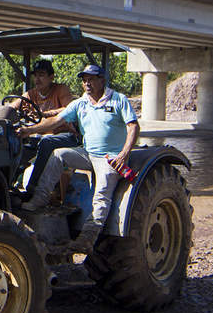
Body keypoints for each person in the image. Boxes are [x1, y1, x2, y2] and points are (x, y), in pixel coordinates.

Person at [20, 63, 139, 244]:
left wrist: (124, 153)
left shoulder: (118, 99)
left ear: (102, 80)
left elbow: (133, 126)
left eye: (91, 79)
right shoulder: (80, 103)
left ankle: (88, 236)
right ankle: (39, 198)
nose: (87, 84)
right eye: (84, 80)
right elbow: (56, 120)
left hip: (109, 157)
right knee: (58, 155)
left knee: (102, 193)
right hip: (87, 153)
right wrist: (29, 131)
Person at [11, 59, 78, 195]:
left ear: (51, 77)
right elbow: (11, 106)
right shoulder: (30, 94)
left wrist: (45, 114)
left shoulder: (60, 90)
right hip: (38, 136)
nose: (37, 79)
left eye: (41, 75)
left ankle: (32, 188)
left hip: (64, 135)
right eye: (35, 75)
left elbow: (69, 108)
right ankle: (9, 185)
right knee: (14, 143)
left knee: (46, 142)